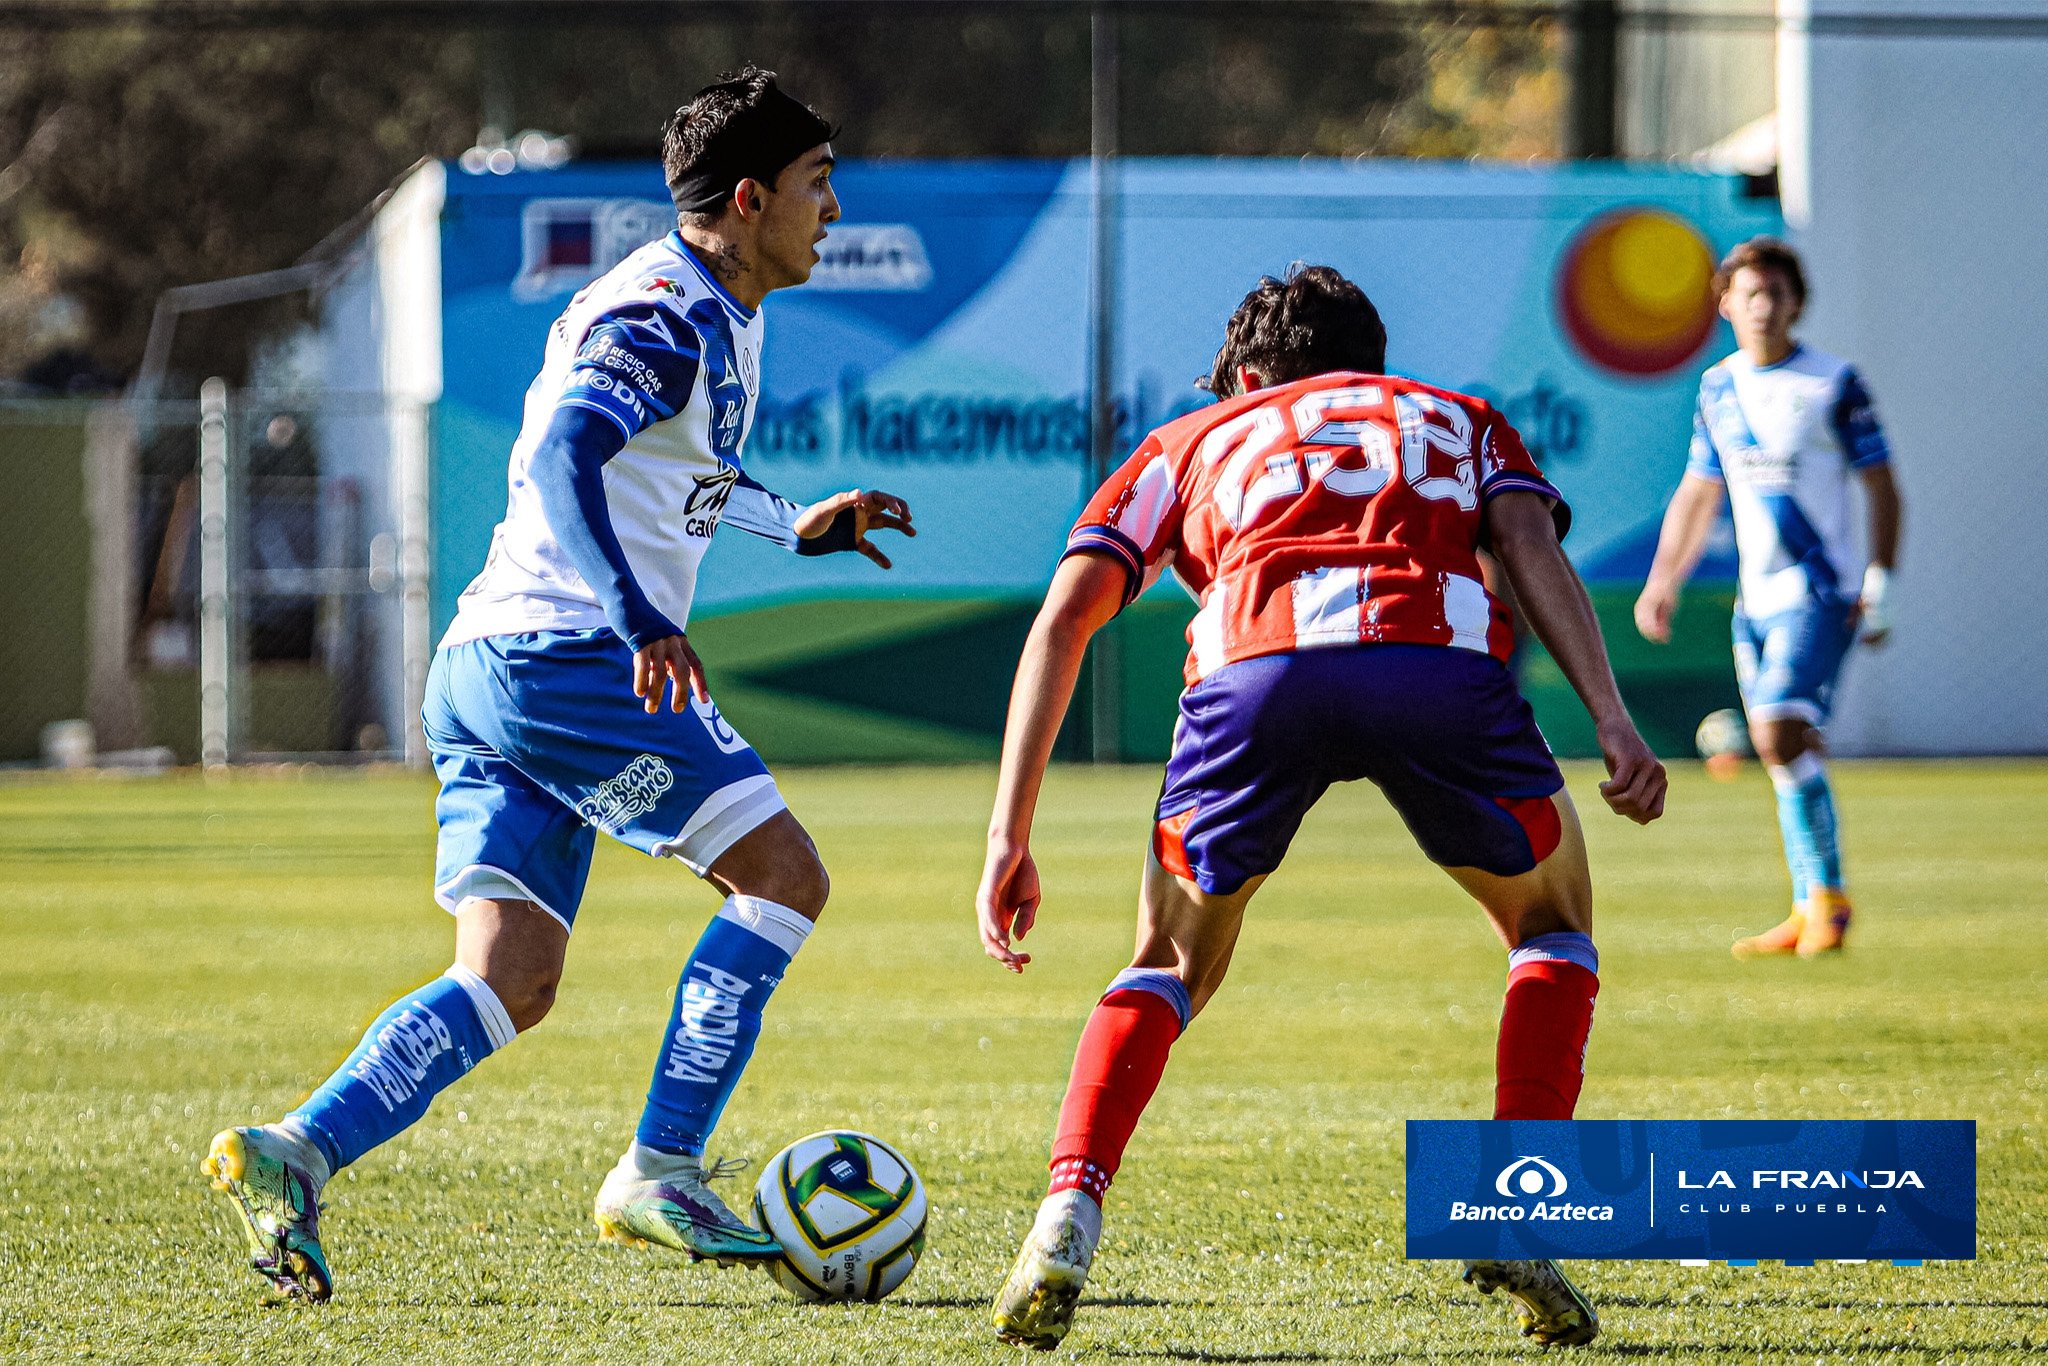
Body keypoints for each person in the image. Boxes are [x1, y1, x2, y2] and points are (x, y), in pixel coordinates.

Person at [202, 68, 914, 1302]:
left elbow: (670, 468)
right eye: (816, 185)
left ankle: (293, 1151)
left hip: (487, 665)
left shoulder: (714, 307)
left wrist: (798, 523)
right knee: (784, 876)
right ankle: (662, 1165)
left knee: (507, 978)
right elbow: (555, 451)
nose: (833, 208)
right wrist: (638, 614)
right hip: (566, 656)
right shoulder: (662, 313)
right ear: (747, 201)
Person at [976, 265, 1666, 1351]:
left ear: (1247, 376)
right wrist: (1613, 723)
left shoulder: (1189, 439)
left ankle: (1068, 1205)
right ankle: (1514, 1208)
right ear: (1368, 363)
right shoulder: (1457, 415)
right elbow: (1530, 551)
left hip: (1252, 675)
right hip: (1433, 665)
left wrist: (1008, 833)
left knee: (1163, 961)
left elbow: (1067, 614)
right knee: (1553, 927)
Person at [1634, 237, 1902, 959]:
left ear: (1796, 304)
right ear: (1725, 304)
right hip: (1756, 601)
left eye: (1775, 294)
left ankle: (1829, 902)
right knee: (1786, 754)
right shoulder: (1719, 387)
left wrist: (1881, 582)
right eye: (1748, 294)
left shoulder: (1833, 382)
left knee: (1777, 732)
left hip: (1821, 591)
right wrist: (1665, 581)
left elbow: (1881, 483)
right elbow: (1699, 490)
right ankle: (1813, 900)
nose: (1762, 307)